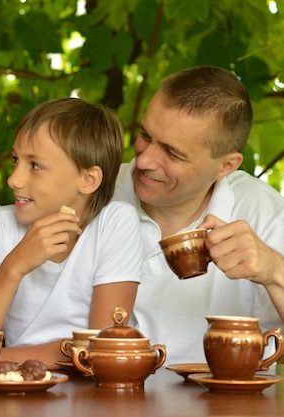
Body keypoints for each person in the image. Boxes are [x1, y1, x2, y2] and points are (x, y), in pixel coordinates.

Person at [112, 65, 284, 364]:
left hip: (226, 408)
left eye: (173, 153)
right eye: (145, 135)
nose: (144, 159)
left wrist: (274, 271)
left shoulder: (263, 210)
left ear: (226, 166)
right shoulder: (93, 192)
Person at [0, 97, 142, 368]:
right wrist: (15, 265)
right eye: (16, 160)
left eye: (35, 165)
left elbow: (103, 350)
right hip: (14, 388)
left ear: (88, 180)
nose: (14, 179)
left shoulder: (115, 223)